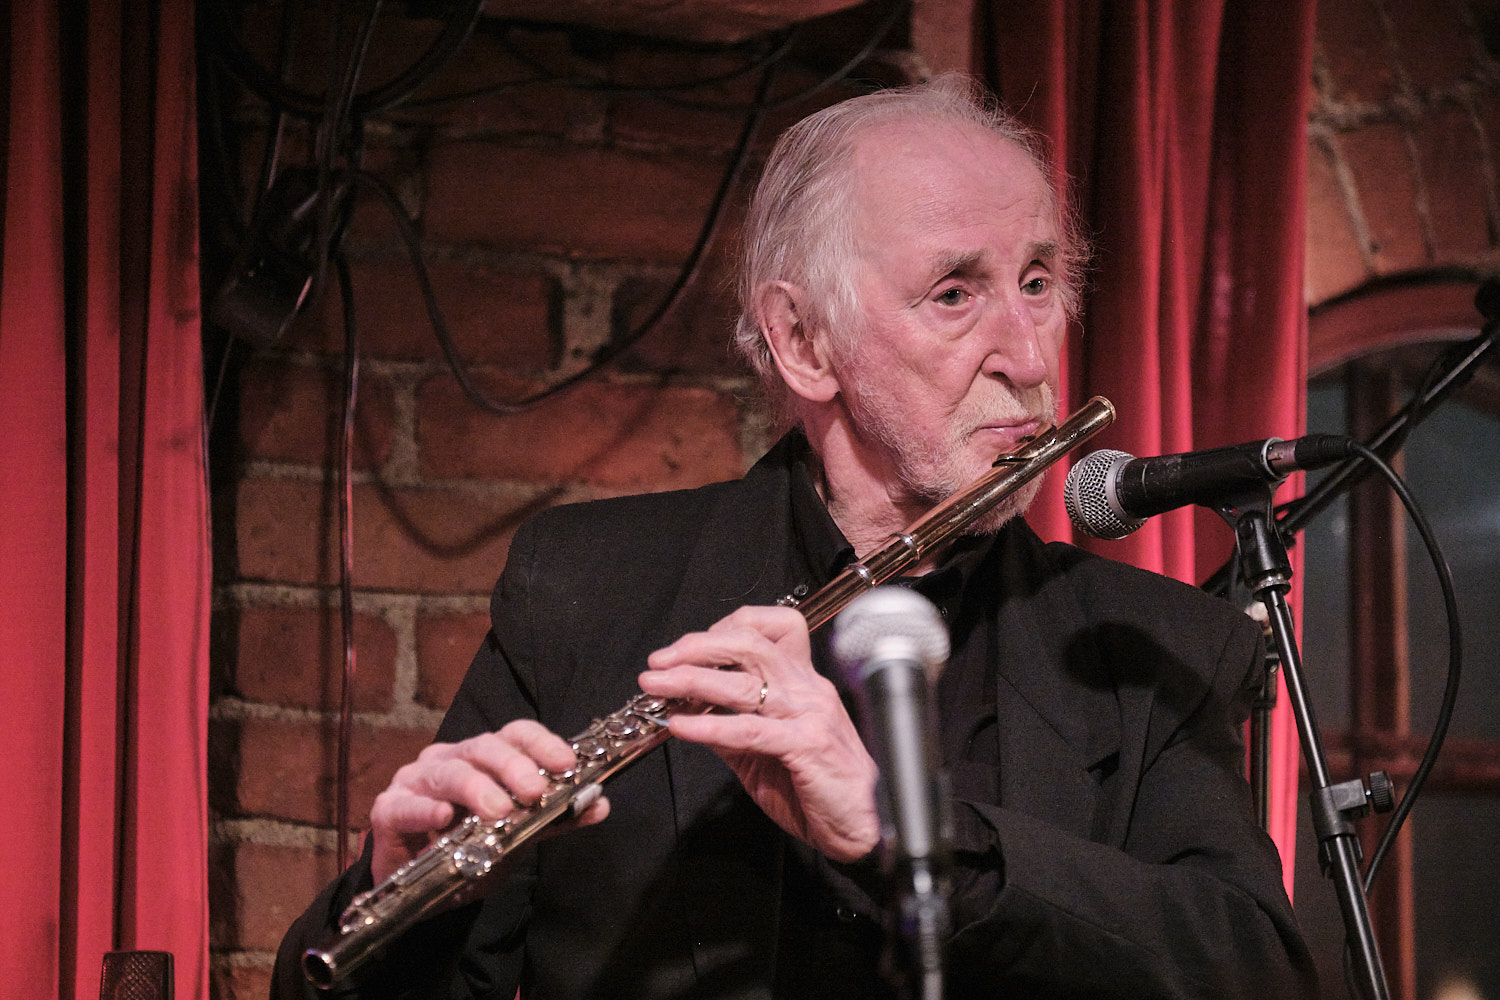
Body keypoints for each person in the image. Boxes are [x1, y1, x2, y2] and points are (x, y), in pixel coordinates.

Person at [272, 75, 1317, 999]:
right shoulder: (585, 587)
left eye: (1038, 282)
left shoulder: (1151, 644)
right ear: (803, 341)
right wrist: (399, 903)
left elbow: (1254, 969)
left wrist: (906, 834)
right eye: (956, 293)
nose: (1030, 356)